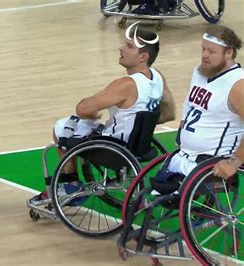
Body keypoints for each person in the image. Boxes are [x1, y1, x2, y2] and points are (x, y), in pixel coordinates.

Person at [44, 26, 176, 201]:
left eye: (129, 47)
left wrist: (87, 107)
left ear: (143, 57)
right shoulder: (157, 77)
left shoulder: (126, 84)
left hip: (114, 148)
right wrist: (141, 126)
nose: (121, 48)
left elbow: (83, 109)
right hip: (139, 146)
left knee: (62, 127)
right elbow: (169, 114)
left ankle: (71, 183)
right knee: (86, 127)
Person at [153, 24, 243, 193]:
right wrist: (182, 127)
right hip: (186, 155)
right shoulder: (201, 71)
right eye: (203, 49)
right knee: (159, 189)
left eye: (211, 51)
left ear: (229, 53)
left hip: (211, 161)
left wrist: (234, 162)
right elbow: (190, 102)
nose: (204, 55)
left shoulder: (238, 85)